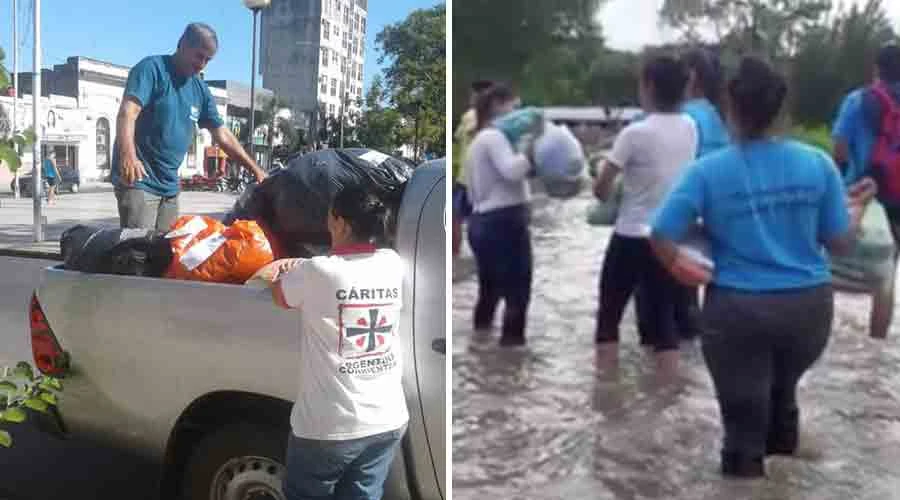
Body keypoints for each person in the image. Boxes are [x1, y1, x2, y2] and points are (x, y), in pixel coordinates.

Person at [651, 56, 874, 478]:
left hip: (739, 311)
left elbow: (661, 231)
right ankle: (789, 480)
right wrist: (858, 210)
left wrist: (678, 265)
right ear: (781, 109)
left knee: (742, 430)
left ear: (731, 108)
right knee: (782, 395)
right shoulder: (817, 164)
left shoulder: (706, 172)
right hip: (807, 312)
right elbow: (841, 243)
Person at [270, 186, 408, 500]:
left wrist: (288, 269)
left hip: (330, 426)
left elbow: (280, 295)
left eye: (330, 215)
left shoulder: (318, 270)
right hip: (387, 419)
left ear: (341, 223)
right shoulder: (392, 263)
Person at [592, 54, 697, 371]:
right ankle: (667, 398)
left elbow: (601, 189)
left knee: (609, 315)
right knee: (664, 320)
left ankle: (605, 392)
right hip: (668, 239)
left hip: (631, 236)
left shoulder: (635, 133)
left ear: (649, 86)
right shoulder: (690, 127)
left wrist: (601, 172)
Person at [112, 23, 266, 231]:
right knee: (139, 252)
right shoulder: (152, 69)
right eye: (199, 56)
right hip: (140, 181)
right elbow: (127, 112)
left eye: (207, 60)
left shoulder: (199, 89)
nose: (202, 65)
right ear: (182, 45)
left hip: (169, 186)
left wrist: (255, 169)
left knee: (168, 253)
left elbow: (222, 134)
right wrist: (128, 156)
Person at [635, 47, 731, 345]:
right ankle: (681, 382)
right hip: (702, 216)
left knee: (654, 310)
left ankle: (658, 382)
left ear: (691, 79)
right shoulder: (716, 116)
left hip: (666, 217)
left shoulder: (678, 116)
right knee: (685, 300)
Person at [832, 44, 900, 339]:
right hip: (898, 197)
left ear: (876, 69)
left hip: (862, 191)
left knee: (832, 264)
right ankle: (878, 343)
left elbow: (840, 147)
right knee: (888, 275)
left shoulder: (858, 101)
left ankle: (832, 343)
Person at [464, 82, 535, 346]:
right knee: (518, 294)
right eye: (515, 107)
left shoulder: (478, 139)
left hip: (481, 222)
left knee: (489, 292)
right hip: (504, 223)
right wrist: (532, 151)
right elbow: (512, 171)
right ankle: (511, 360)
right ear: (497, 106)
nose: (519, 114)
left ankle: (480, 354)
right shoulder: (495, 137)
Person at [453, 80, 494, 257]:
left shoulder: (479, 117)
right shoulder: (472, 117)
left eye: (476, 95)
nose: (473, 98)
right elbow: (457, 145)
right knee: (459, 221)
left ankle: (458, 260)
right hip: (468, 181)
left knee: (459, 221)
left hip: (475, 183)